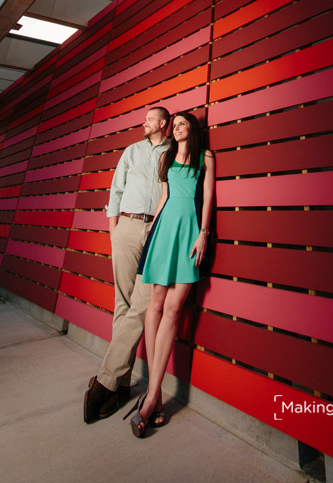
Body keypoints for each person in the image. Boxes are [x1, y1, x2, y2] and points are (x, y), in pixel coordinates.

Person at [123, 110, 215, 436]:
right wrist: (150, 235)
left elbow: (207, 198)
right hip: (163, 233)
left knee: (174, 310)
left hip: (189, 233)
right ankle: (155, 396)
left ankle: (152, 398)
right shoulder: (166, 158)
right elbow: (164, 198)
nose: (175, 129)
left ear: (191, 128)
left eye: (181, 124)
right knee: (155, 305)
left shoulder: (205, 157)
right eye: (173, 125)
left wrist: (203, 233)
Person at [83, 105, 170, 422]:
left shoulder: (174, 150)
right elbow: (116, 190)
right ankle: (119, 385)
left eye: (149, 119)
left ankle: (105, 380)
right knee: (122, 304)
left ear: (162, 123)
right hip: (127, 227)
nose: (143, 123)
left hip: (157, 229)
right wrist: (114, 232)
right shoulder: (131, 152)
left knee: (142, 304)